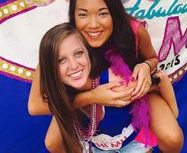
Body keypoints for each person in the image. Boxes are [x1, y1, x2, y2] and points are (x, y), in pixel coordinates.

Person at [28, 0, 183, 152]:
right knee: (53, 142)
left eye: (103, 13)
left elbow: (153, 59)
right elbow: (35, 106)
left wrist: (146, 66)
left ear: (114, 14)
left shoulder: (134, 31)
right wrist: (91, 97)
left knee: (173, 138)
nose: (93, 25)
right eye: (83, 14)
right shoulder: (63, 44)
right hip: (77, 97)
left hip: (133, 90)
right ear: (73, 17)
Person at [38, 22, 152, 152]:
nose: (74, 65)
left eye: (79, 53)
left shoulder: (113, 80)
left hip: (133, 143)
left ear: (88, 53)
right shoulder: (60, 94)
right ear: (50, 68)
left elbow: (155, 82)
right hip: (94, 147)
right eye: (61, 60)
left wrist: (150, 69)